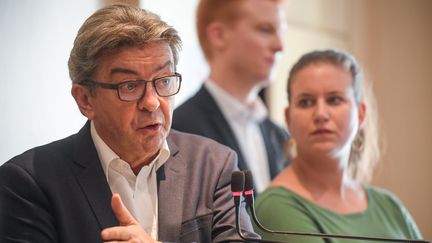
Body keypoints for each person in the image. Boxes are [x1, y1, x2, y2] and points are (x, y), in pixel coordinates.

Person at [0, 4, 258, 243]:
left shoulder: (213, 164)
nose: (152, 102)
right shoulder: (30, 183)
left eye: (164, 80)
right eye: (130, 86)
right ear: (85, 99)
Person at [254, 49, 424, 242]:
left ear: (360, 114)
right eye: (306, 102)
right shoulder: (276, 207)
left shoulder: (390, 206)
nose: (320, 114)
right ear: (288, 118)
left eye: (334, 100)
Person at [172, 0, 289, 193]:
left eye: (281, 32)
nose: (280, 45)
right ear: (219, 35)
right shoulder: (180, 131)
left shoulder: (279, 135)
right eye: (265, 29)